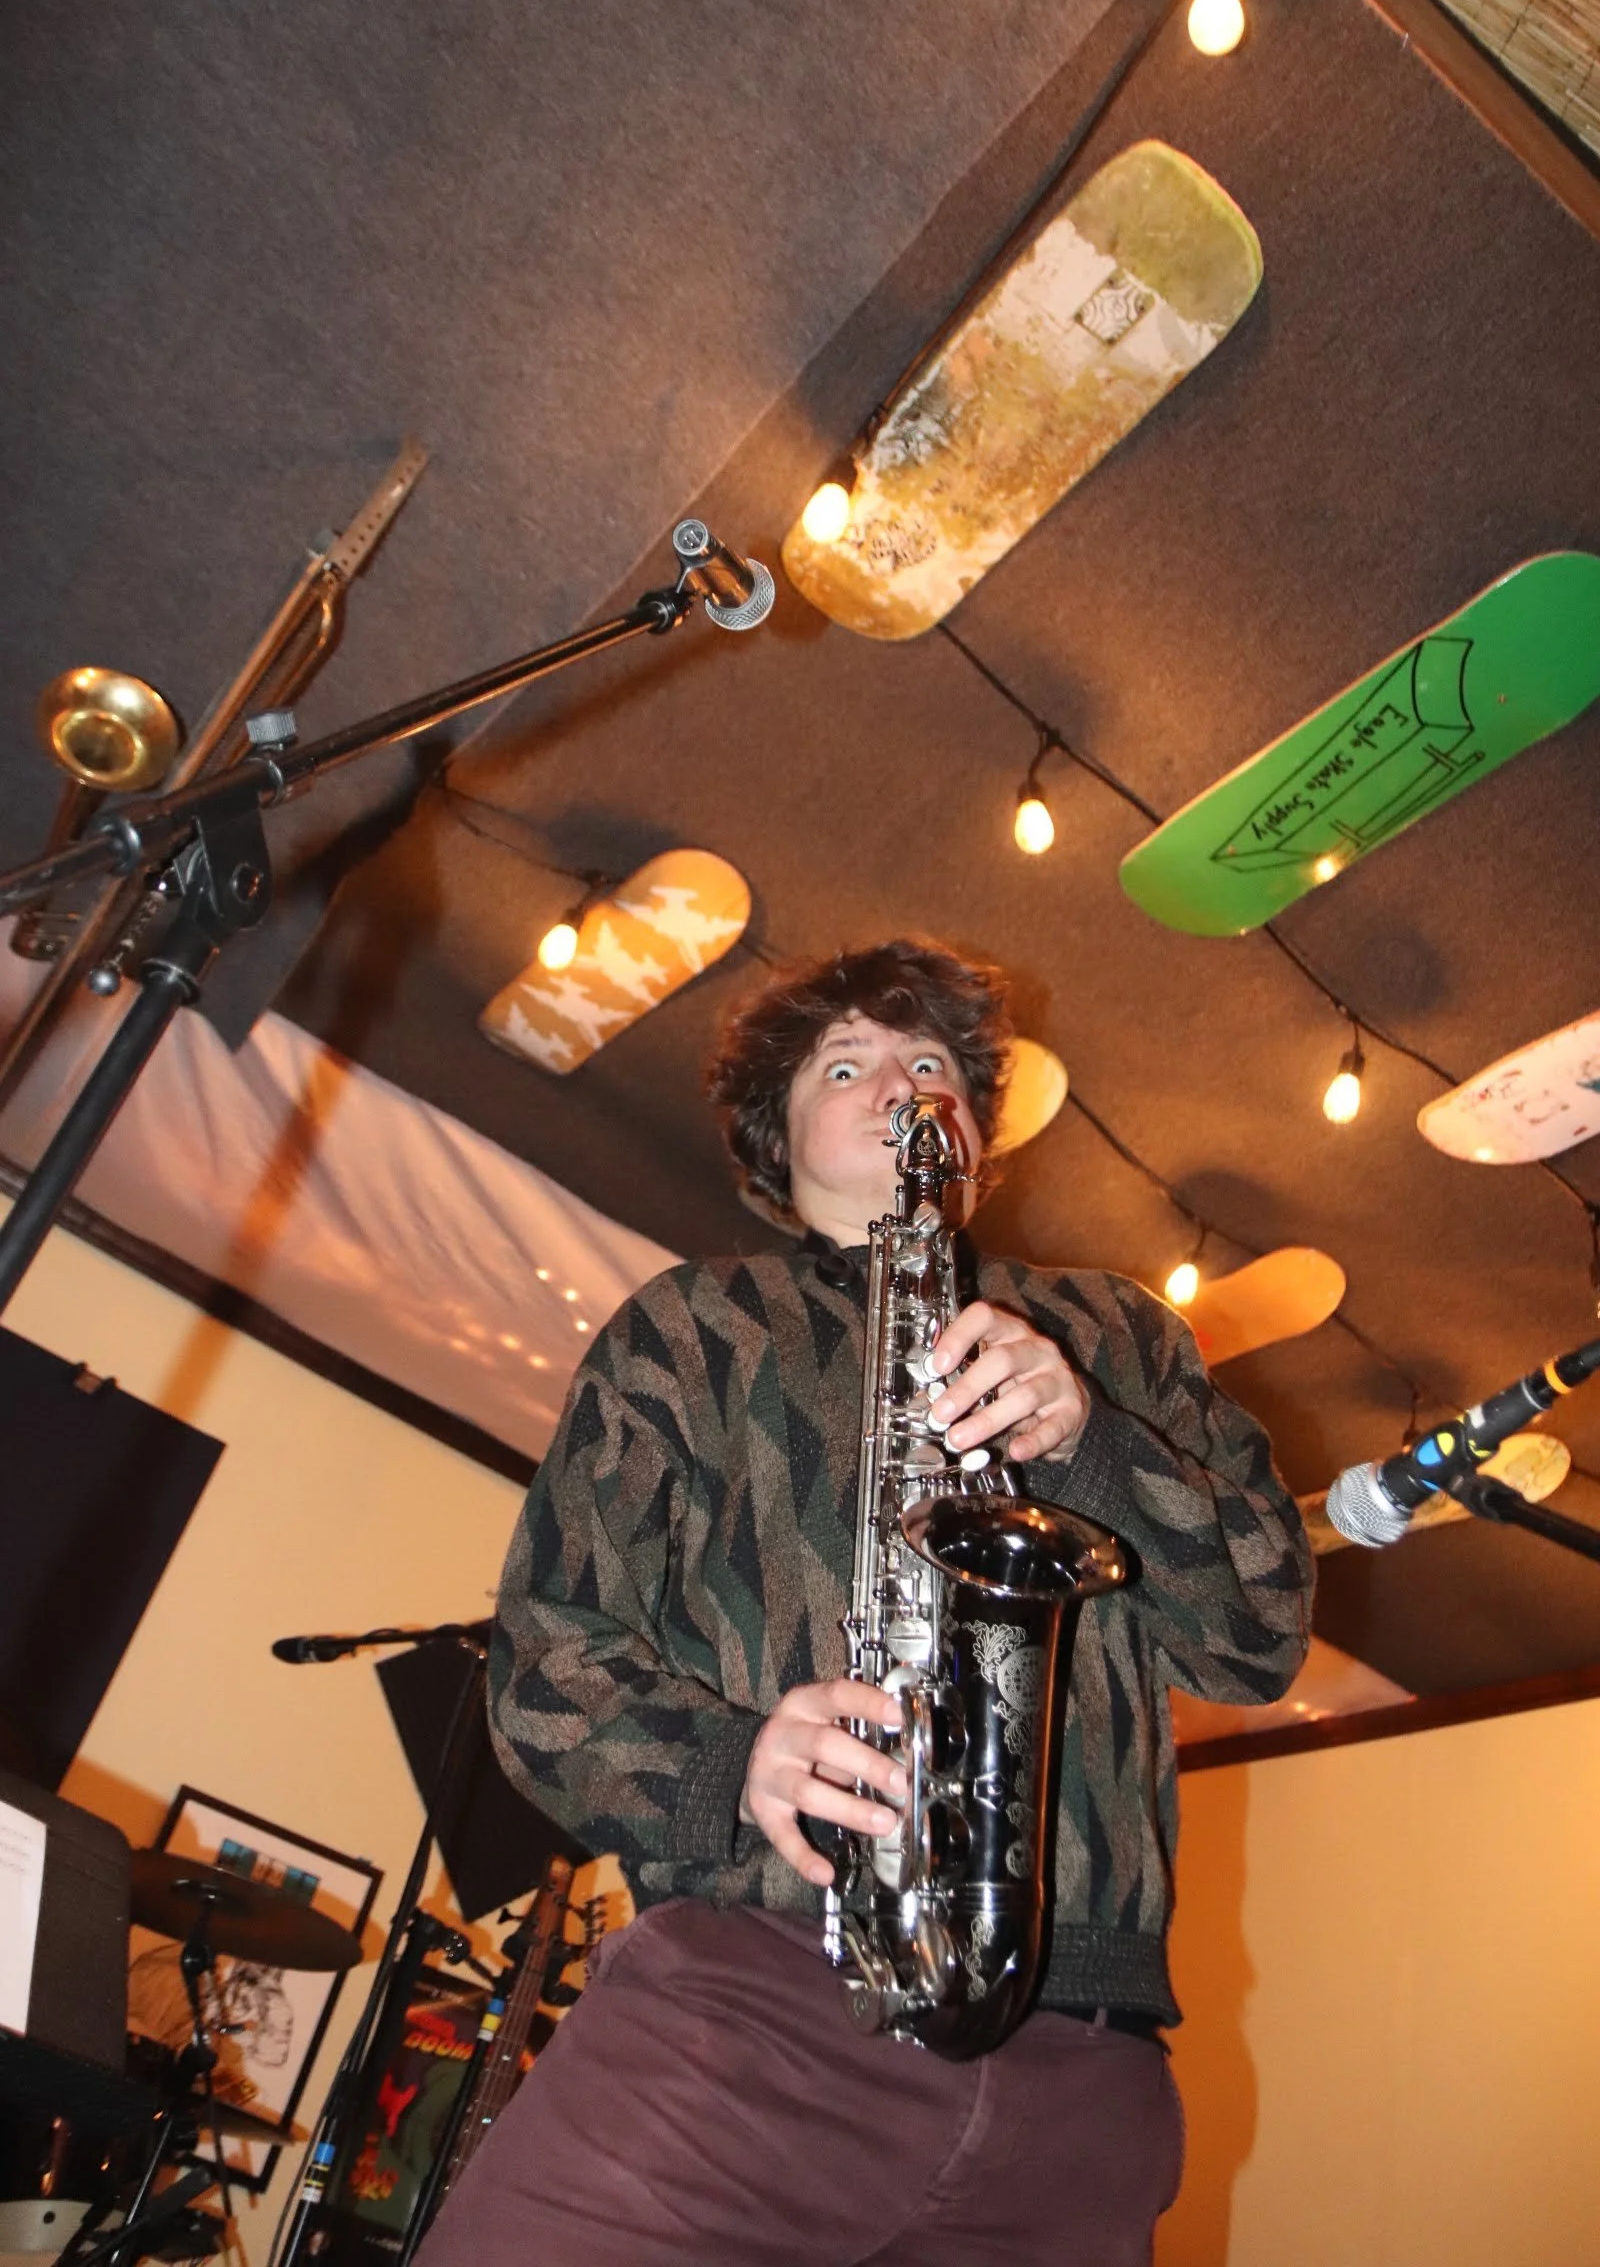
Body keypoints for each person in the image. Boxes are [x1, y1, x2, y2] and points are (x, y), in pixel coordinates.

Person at [418, 940, 1313, 2267]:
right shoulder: (687, 1329)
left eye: (930, 1062)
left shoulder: (1117, 1337)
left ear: (977, 1140)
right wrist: (731, 1761)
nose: (902, 1086)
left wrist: (1094, 1443)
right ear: (774, 1146)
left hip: (1083, 2080)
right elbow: (546, 1660)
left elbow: (1261, 1640)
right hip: (750, 2011)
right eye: (846, 1067)